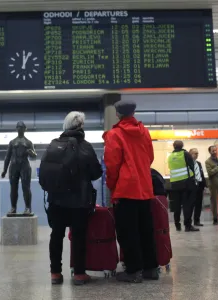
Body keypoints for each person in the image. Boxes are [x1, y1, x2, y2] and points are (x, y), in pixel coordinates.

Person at [42, 112, 102, 286]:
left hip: (56, 200)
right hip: (79, 201)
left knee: (56, 236)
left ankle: (55, 273)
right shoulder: (86, 147)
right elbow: (96, 173)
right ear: (81, 126)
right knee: (78, 236)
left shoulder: (53, 145)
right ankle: (79, 274)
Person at [103, 100, 158, 283]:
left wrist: (112, 186)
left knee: (127, 231)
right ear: (133, 112)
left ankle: (133, 270)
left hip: (125, 189)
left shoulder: (114, 134)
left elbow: (112, 165)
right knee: (146, 229)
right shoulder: (144, 132)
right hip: (145, 188)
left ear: (118, 114)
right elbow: (150, 157)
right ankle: (151, 268)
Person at [168, 141, 198, 232]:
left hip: (174, 184)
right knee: (187, 205)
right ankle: (187, 225)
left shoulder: (170, 157)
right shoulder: (185, 154)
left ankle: (177, 225)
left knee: (177, 206)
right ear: (182, 146)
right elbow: (192, 166)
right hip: (186, 184)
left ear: (173, 146)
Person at [189, 148, 207, 227]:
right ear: (190, 154)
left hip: (199, 186)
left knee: (199, 204)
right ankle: (189, 221)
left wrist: (204, 185)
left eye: (197, 153)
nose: (196, 155)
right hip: (192, 186)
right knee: (191, 204)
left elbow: (201, 174)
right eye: (194, 153)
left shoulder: (198, 163)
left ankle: (197, 220)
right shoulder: (188, 164)